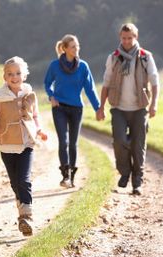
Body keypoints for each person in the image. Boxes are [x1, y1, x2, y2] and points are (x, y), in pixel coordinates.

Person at [0, 56, 48, 236]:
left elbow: (35, 116)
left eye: (18, 73)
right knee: (15, 182)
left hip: (26, 143)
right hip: (6, 145)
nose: (15, 77)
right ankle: (22, 209)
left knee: (24, 179)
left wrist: (39, 130)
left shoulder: (29, 95)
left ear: (25, 75)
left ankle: (26, 216)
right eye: (10, 74)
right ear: (5, 77)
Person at [96, 23, 160, 195]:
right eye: (123, 38)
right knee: (119, 141)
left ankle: (137, 182)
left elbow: (155, 82)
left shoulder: (145, 57)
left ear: (135, 37)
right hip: (118, 108)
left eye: (130, 38)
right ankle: (125, 172)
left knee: (138, 146)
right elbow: (106, 83)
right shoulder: (114, 57)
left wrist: (154, 104)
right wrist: (101, 107)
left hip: (139, 108)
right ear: (120, 37)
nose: (126, 41)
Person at [44, 34, 100, 188]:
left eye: (78, 46)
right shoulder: (54, 65)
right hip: (59, 108)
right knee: (64, 141)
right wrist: (51, 97)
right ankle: (65, 176)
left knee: (73, 144)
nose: (77, 49)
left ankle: (72, 177)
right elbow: (47, 83)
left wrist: (98, 108)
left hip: (76, 109)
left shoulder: (83, 66)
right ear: (65, 49)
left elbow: (90, 89)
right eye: (73, 46)